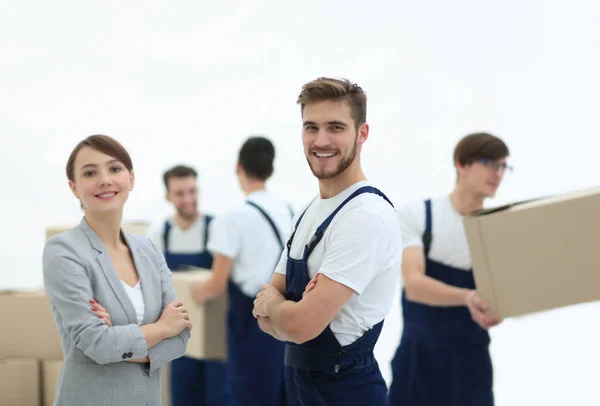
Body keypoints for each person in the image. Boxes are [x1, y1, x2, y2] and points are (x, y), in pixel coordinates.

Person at [252, 77, 403, 406]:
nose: (321, 141)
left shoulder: (365, 217)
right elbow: (263, 316)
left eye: (336, 127)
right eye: (311, 127)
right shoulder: (309, 210)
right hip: (301, 388)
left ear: (362, 133)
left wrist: (278, 308)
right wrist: (284, 313)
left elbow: (300, 325)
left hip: (347, 392)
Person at [42, 134, 191, 406]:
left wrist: (119, 342)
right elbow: (97, 343)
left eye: (114, 168)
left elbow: (181, 337)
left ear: (131, 179)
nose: (105, 180)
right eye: (90, 173)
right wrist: (161, 328)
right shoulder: (63, 251)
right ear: (74, 187)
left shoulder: (149, 250)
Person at [387, 132, 510, 406]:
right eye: (490, 163)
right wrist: (467, 297)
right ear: (462, 164)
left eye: (503, 166)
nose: (498, 173)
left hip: (472, 362)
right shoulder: (418, 214)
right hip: (418, 361)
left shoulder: (499, 229)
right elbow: (414, 286)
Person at [191, 136, 292, 406]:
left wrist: (192, 292)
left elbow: (216, 285)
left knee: (248, 395)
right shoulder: (289, 210)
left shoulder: (232, 217)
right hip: (288, 322)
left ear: (238, 168)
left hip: (252, 326)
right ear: (270, 169)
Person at [149, 165, 229, 406]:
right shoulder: (159, 235)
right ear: (168, 196)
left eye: (192, 191)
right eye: (180, 193)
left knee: (219, 398)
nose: (188, 199)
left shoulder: (216, 228)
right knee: (184, 398)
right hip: (180, 338)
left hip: (216, 336)